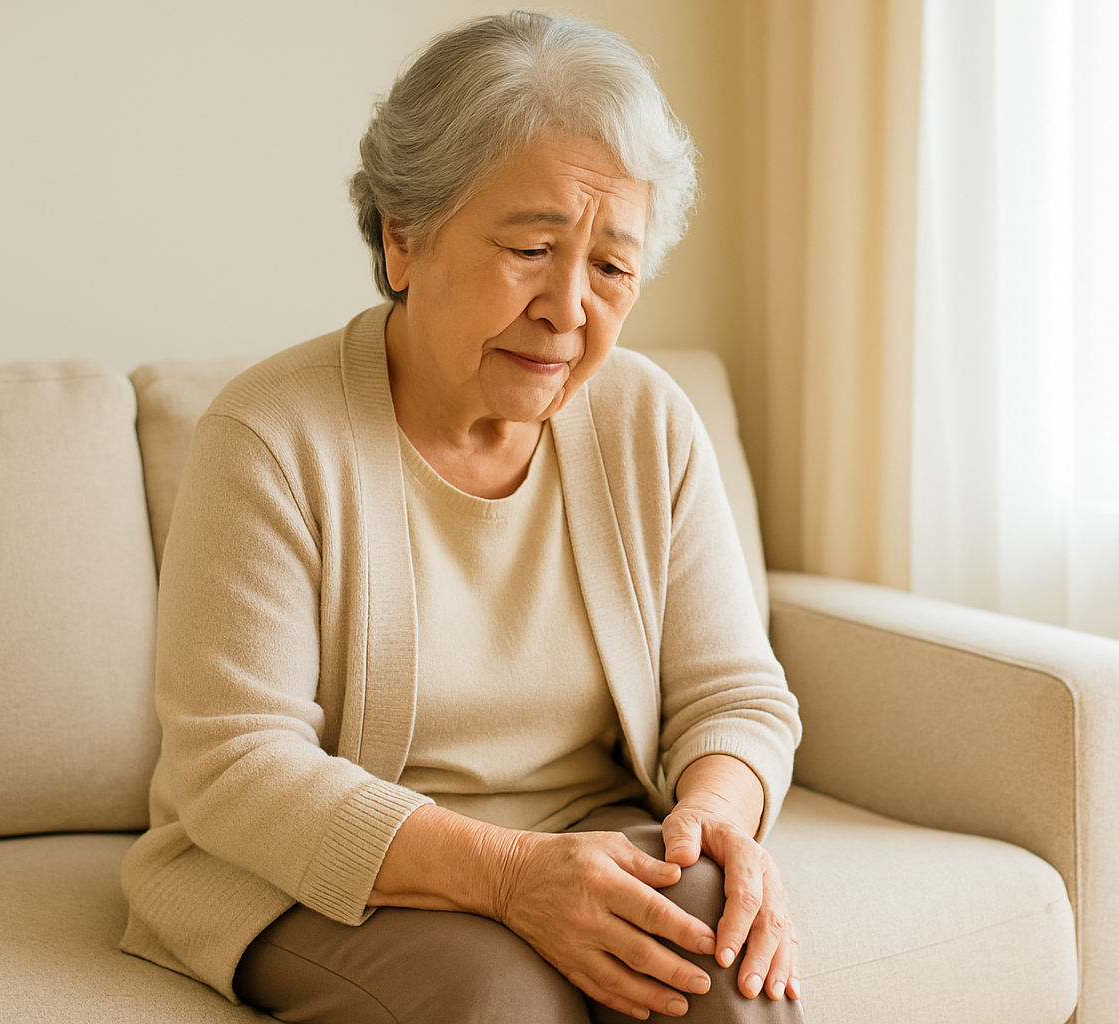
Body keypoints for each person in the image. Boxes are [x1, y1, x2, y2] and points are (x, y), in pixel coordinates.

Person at [118, 11, 804, 1024]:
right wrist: (510, 874)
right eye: (531, 248)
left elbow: (736, 695)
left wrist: (712, 826)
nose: (569, 307)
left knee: (718, 956)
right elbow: (239, 769)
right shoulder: (268, 437)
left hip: (589, 832)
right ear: (404, 237)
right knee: (498, 997)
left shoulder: (649, 421)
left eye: (611, 267)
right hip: (309, 869)